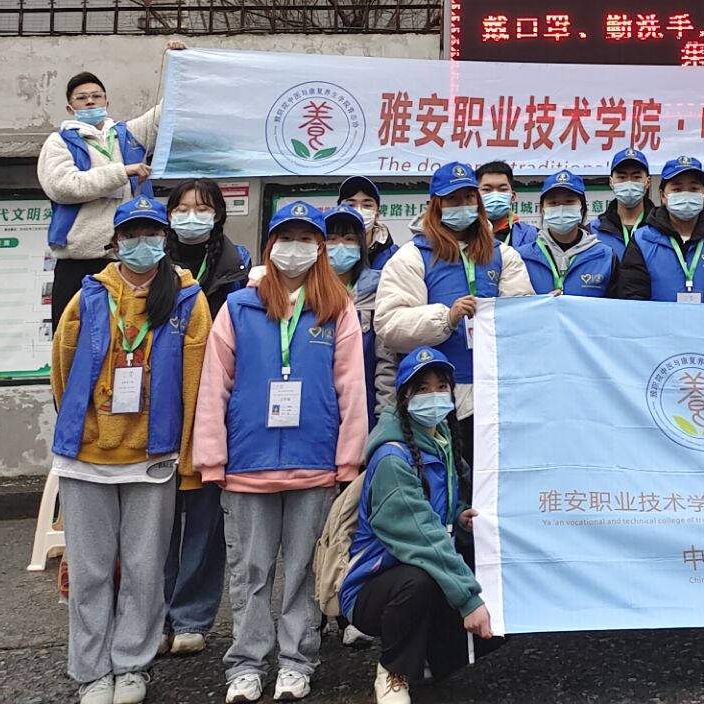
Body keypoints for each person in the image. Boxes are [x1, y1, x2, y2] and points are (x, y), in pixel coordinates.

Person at [193, 201, 366, 703]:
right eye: (287, 238)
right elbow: (214, 385)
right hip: (248, 463)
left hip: (315, 462)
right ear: (271, 246)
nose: (296, 248)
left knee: (304, 571)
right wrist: (212, 455)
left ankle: (297, 660)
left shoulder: (337, 309)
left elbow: (351, 387)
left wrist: (349, 456)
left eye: (306, 239)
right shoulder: (238, 307)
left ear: (319, 248)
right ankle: (246, 664)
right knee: (249, 571)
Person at [50, 196, 211, 704]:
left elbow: (196, 382)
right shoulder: (89, 296)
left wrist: (188, 456)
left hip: (152, 457)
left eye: (152, 233)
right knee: (91, 571)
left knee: (144, 571)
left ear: (165, 239)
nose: (143, 243)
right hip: (87, 458)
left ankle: (132, 666)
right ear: (115, 242)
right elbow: (62, 372)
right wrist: (83, 427)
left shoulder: (187, 299)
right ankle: (92, 671)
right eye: (132, 234)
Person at [341, 347, 497, 704]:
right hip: (372, 586)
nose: (435, 396)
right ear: (404, 398)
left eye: (442, 387)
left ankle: (429, 661)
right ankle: (392, 672)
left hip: (419, 566)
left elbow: (443, 511)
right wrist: (468, 600)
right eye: (422, 389)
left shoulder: (442, 441)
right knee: (421, 580)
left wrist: (460, 517)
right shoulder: (392, 458)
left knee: (495, 578)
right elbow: (423, 536)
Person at [373, 163, 535, 454]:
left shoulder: (504, 255)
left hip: (495, 396)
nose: (462, 205)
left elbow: (521, 321)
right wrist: (446, 318)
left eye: (468, 198)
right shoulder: (411, 256)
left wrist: (542, 309)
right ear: (435, 205)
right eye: (452, 199)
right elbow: (389, 325)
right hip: (432, 401)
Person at [159, 180, 251, 657]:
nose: (192, 216)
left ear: (218, 214)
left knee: (204, 515)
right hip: (159, 403)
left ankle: (191, 616)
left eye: (202, 207)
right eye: (183, 208)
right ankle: (153, 615)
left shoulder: (238, 267)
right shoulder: (150, 259)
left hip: (216, 402)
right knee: (155, 519)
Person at [39, 44, 183, 325]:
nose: (90, 102)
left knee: (130, 335)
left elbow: (168, 113)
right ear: (70, 107)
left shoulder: (128, 134)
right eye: (82, 98)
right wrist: (122, 172)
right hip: (79, 261)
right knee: (74, 335)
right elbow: (63, 187)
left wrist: (179, 62)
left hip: (129, 258)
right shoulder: (59, 141)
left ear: (107, 103)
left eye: (96, 96)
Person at [612, 156, 704, 303]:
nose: (686, 195)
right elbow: (633, 298)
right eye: (677, 189)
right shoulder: (642, 241)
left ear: (703, 193)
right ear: (663, 196)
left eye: (694, 189)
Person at [323, 204, 383, 428]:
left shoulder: (379, 289)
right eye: (331, 239)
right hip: (318, 407)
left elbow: (386, 363)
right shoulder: (304, 295)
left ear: (361, 245)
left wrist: (385, 415)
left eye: (349, 239)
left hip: (365, 408)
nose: (340, 246)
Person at [514, 169, 618, 297]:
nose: (561, 208)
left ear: (582, 209)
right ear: (542, 210)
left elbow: (617, 305)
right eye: (553, 203)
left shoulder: (605, 256)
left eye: (569, 202)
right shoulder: (522, 257)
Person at [592, 147, 654, 265]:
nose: (629, 183)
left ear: (648, 182)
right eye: (622, 177)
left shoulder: (661, 228)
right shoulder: (593, 231)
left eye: (636, 177)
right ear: (611, 182)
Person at [337, 176, 396, 275]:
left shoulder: (394, 258)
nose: (358, 211)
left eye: (367, 205)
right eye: (350, 205)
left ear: (377, 214)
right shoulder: (325, 251)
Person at [474, 160, 536, 252]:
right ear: (475, 196)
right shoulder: (463, 234)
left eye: (502, 189)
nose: (495, 195)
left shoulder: (532, 235)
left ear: (512, 196)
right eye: (487, 189)